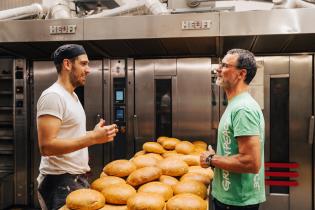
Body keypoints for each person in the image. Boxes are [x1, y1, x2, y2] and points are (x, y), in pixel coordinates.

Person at [36, 44, 118, 210]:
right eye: (83, 63)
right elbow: (47, 147)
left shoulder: (72, 96)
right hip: (59, 182)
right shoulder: (53, 96)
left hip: (73, 179)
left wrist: (93, 133)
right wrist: (93, 138)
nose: (88, 70)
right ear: (67, 64)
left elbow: (68, 134)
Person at [200, 49, 265, 210]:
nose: (218, 69)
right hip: (231, 198)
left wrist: (211, 159)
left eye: (224, 65)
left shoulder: (243, 109)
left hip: (237, 201)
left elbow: (251, 162)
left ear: (241, 74)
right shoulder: (235, 104)